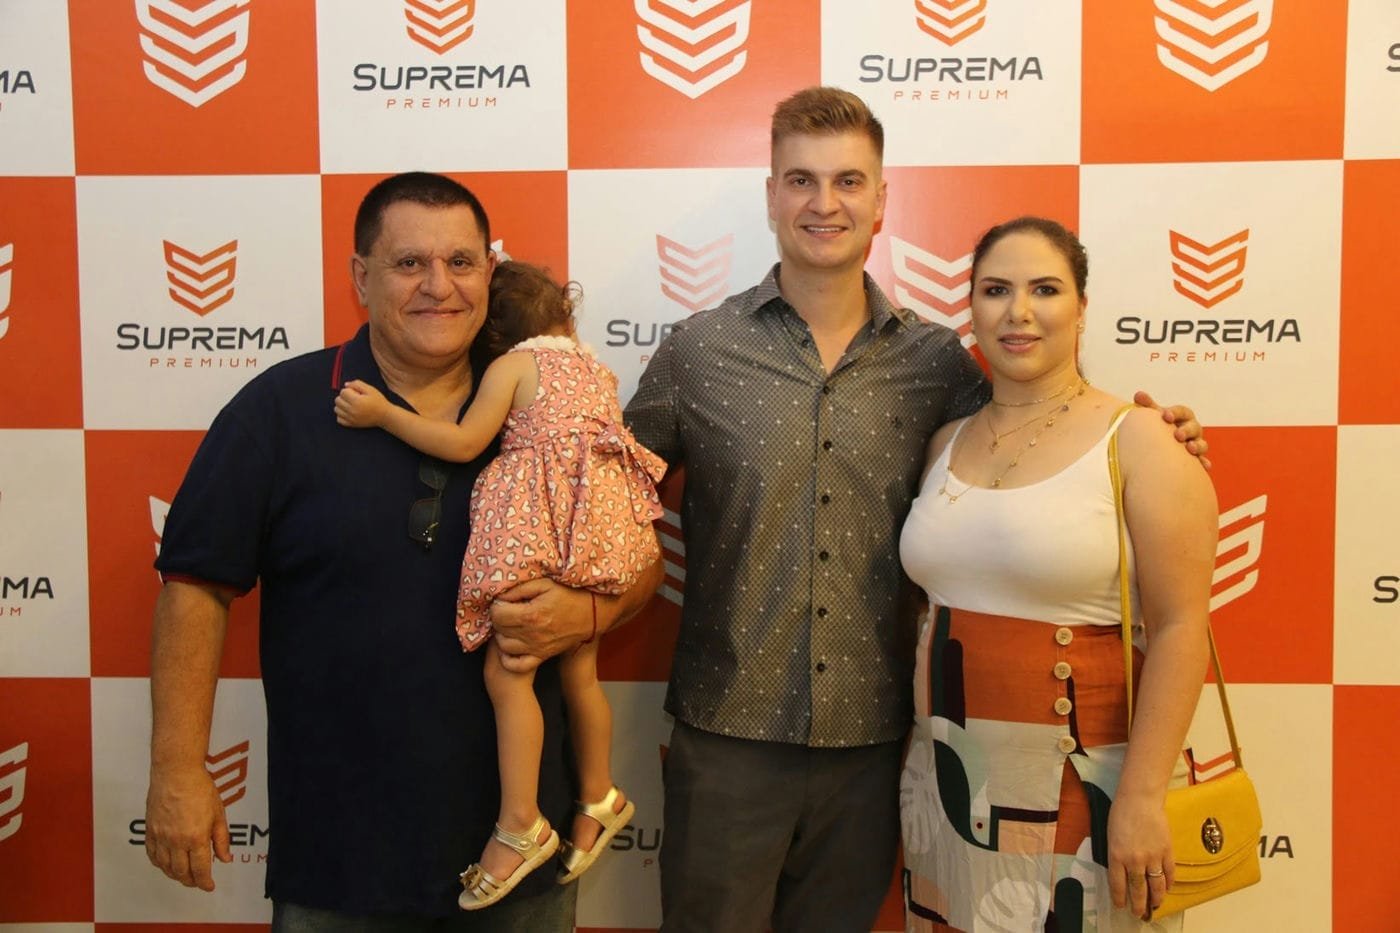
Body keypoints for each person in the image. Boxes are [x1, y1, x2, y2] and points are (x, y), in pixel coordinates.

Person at [623, 87, 1208, 933]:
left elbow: (1038, 431)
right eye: (801, 180)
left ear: (881, 199)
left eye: (848, 181)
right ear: (772, 194)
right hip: (728, 739)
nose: (824, 203)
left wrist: (1159, 436)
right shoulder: (696, 351)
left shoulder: (939, 363)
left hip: (879, 746)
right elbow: (609, 495)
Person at [143, 172, 661, 929]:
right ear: (362, 277)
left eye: (461, 262)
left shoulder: (549, 402)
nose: (438, 286)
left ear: (489, 272)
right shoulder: (279, 409)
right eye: (409, 263)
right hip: (338, 856)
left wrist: (588, 612)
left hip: (521, 859)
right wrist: (177, 769)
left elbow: (638, 558)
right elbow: (195, 585)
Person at [898, 217, 1217, 931]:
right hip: (949, 785)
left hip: (1090, 785)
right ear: (971, 307)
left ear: (1082, 307)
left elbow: (1180, 627)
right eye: (995, 290)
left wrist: (1141, 798)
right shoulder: (945, 442)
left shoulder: (1143, 440)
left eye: (1044, 289)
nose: (1018, 311)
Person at [333, 260, 662, 909]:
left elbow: (463, 443)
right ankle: (598, 793)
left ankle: (521, 822)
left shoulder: (514, 366)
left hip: (540, 530)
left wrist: (384, 414)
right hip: (598, 534)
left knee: (507, 671)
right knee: (581, 669)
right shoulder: (596, 370)